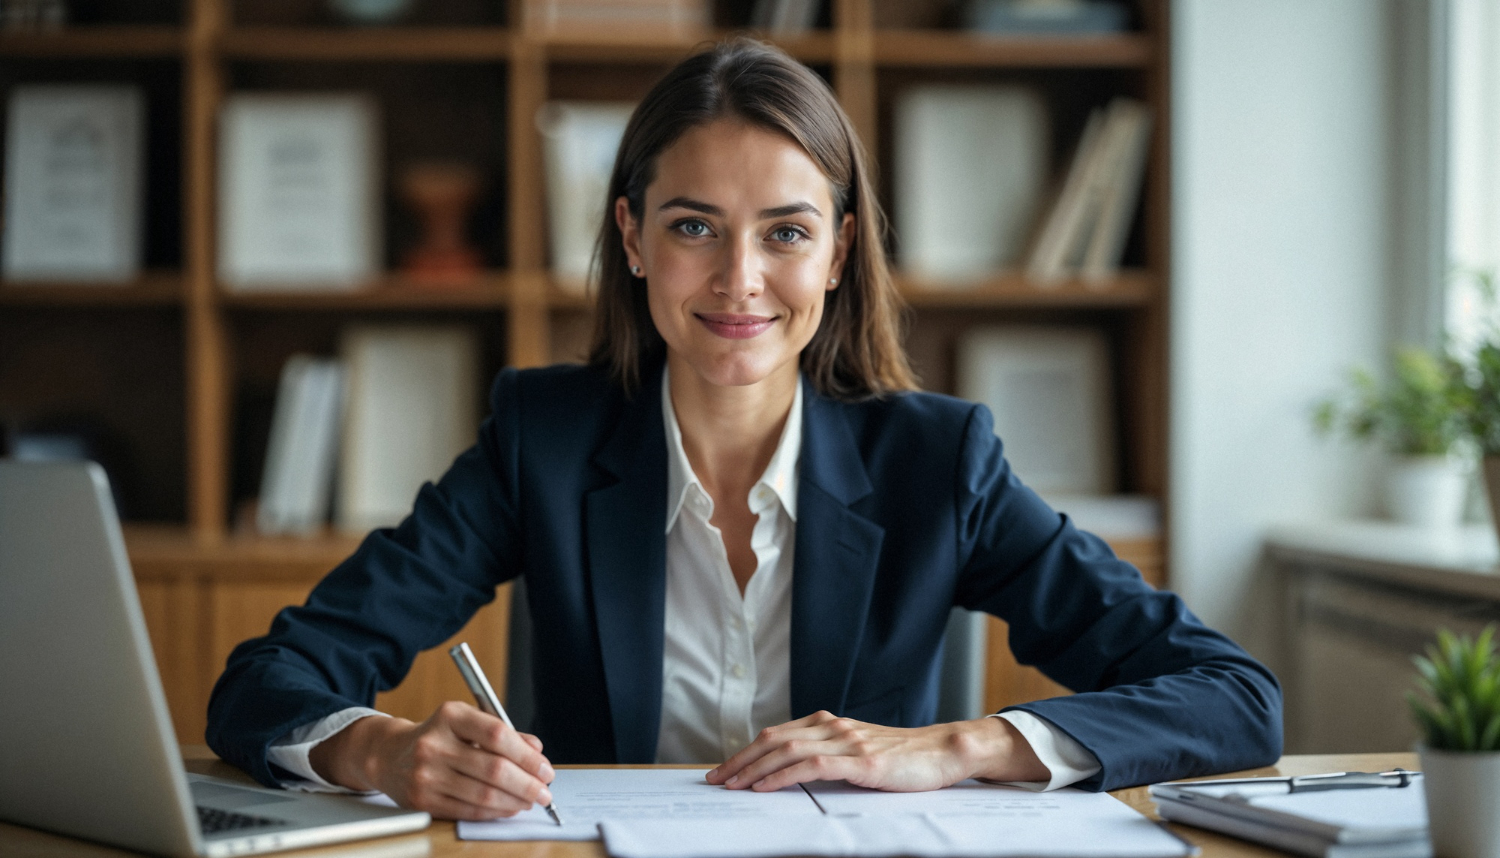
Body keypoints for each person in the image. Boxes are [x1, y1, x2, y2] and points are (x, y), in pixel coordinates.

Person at [207, 38, 1282, 821]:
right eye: (693, 228)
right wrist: (384, 751)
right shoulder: (541, 438)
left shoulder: (937, 461)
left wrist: (956, 748)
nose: (740, 281)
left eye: (787, 233)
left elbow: (1234, 697)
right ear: (630, 235)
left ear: (839, 250)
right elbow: (266, 682)